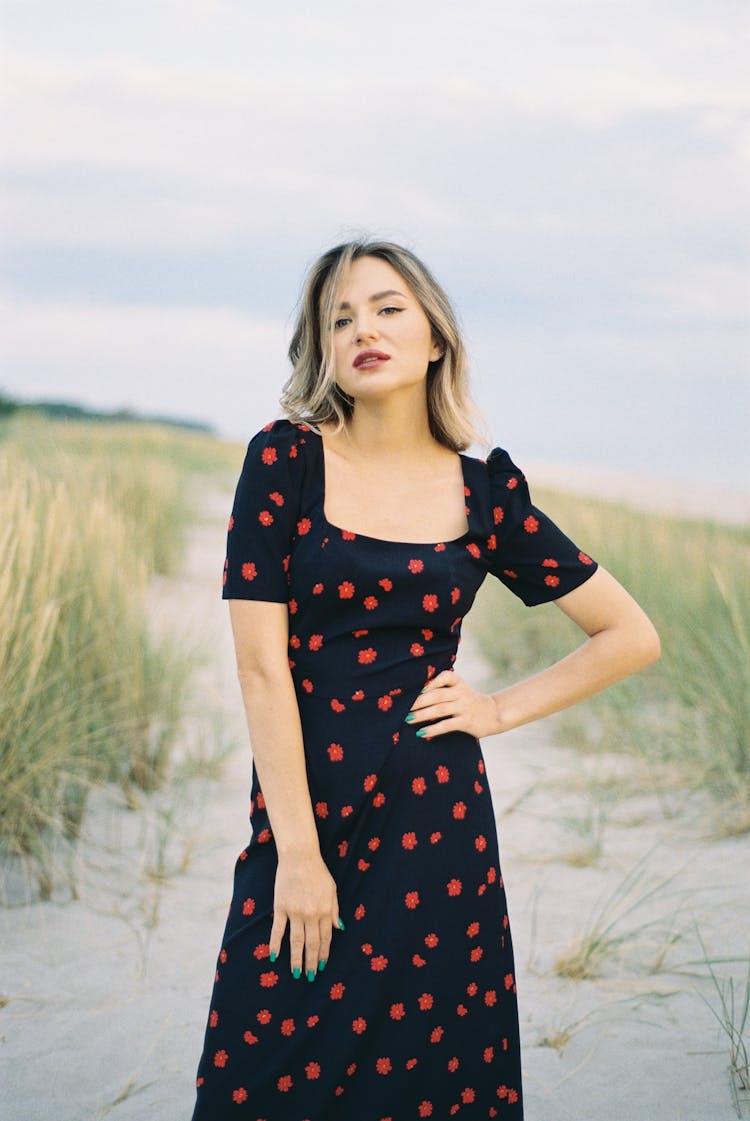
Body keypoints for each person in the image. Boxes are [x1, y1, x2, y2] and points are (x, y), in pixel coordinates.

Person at [190, 239, 660, 1120]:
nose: (362, 327)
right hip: (308, 819)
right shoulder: (284, 461)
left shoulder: (486, 497)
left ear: (435, 336)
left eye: (386, 307)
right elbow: (260, 668)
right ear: (321, 349)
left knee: (429, 1082)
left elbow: (628, 634)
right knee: (260, 1068)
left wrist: (495, 708)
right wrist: (297, 852)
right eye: (339, 318)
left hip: (437, 835)